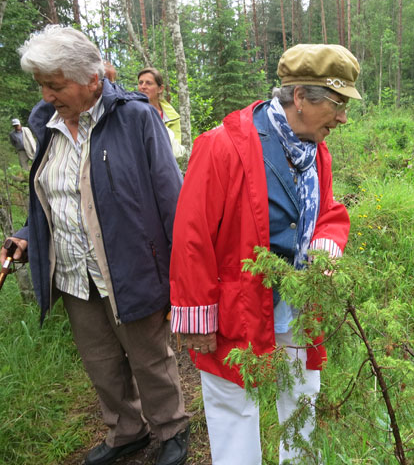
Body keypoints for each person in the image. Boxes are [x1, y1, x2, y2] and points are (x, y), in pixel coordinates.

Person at [0, 25, 190, 465]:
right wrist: (27, 237)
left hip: (132, 265)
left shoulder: (136, 117)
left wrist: (181, 274)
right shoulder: (43, 124)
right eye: (41, 85)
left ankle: (171, 428)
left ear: (92, 78)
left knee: (149, 357)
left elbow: (170, 197)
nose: (47, 95)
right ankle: (126, 430)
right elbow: (48, 197)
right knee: (100, 360)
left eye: (55, 84)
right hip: (70, 269)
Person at [169, 44, 359, 464]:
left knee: (304, 392)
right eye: (337, 104)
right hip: (237, 307)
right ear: (299, 98)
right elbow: (191, 236)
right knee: (234, 405)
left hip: (298, 305)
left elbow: (327, 211)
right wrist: (198, 313)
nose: (343, 117)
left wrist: (325, 246)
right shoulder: (222, 147)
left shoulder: (315, 151)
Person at [137, 67, 186, 159]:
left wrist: (158, 124)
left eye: (148, 83)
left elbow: (176, 152)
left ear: (160, 89)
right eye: (140, 83)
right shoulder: (131, 111)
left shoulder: (171, 116)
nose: (143, 86)